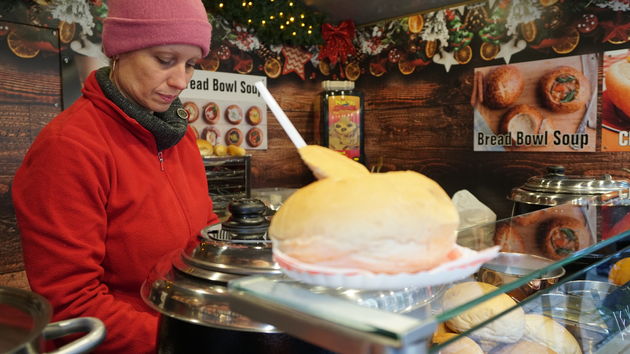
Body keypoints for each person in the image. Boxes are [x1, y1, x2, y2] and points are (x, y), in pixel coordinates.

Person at [11, 0, 219, 352]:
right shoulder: (70, 147)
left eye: (191, 64)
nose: (180, 80)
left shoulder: (181, 137)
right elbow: (71, 305)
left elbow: (201, 231)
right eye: (165, 60)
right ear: (121, 51)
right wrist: (183, 340)